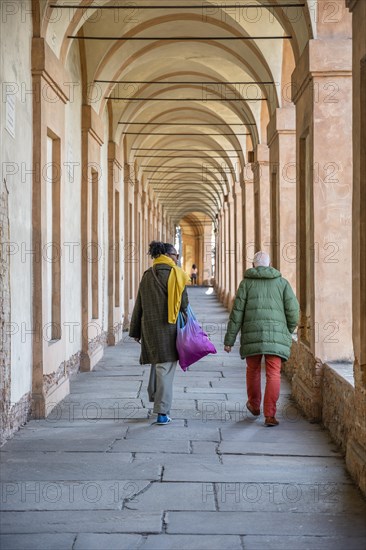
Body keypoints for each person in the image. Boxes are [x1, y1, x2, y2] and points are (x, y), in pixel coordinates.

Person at [224, 251, 299, 427]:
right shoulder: (282, 283)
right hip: (276, 334)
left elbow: (237, 313)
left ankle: (254, 405)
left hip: (252, 333)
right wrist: (287, 330)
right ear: (270, 264)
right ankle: (270, 415)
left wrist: (229, 340)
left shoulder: (246, 284)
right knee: (273, 373)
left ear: (253, 265)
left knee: (253, 370)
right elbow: (293, 311)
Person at [129, 241, 190, 425]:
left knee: (158, 364)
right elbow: (184, 305)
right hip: (170, 329)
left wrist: (135, 331)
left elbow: (139, 304)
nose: (177, 258)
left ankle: (155, 396)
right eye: (176, 255)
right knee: (165, 368)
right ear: (169, 255)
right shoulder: (177, 274)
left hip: (150, 328)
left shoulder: (147, 275)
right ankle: (162, 412)